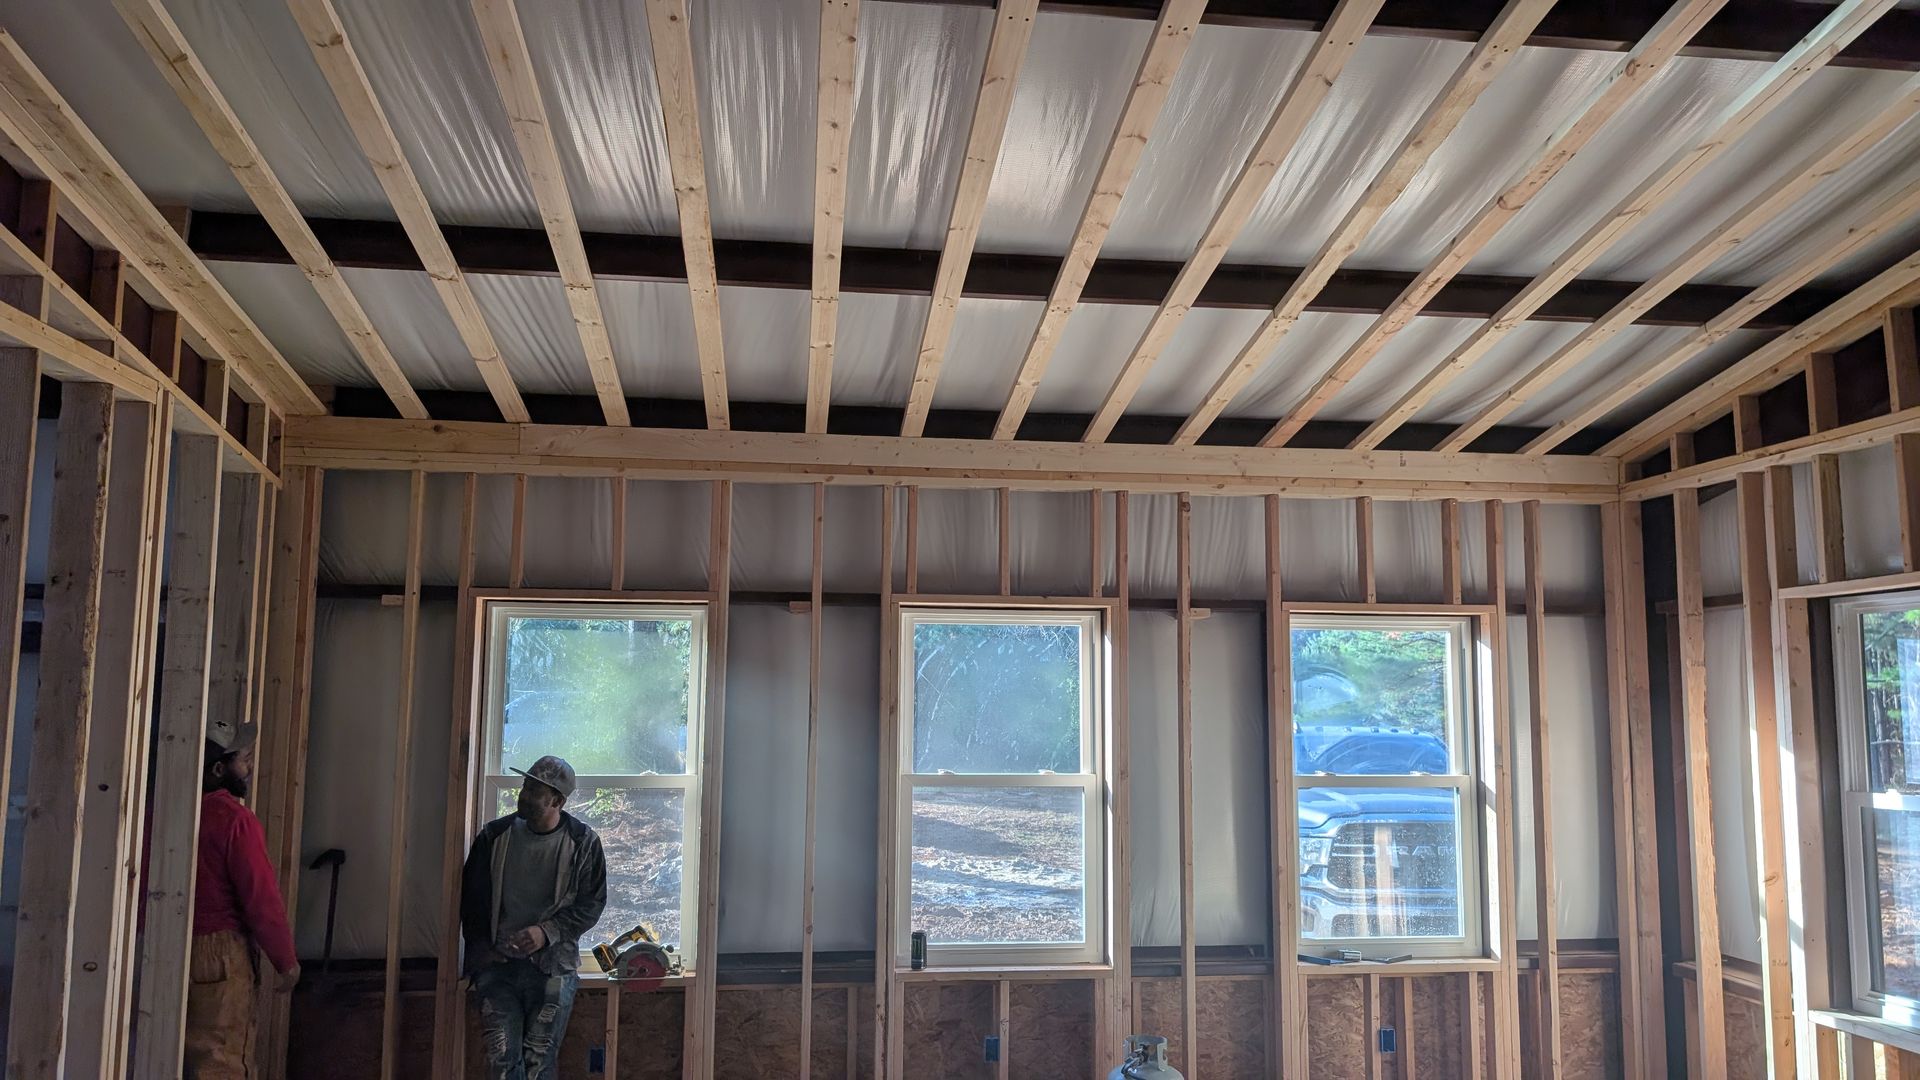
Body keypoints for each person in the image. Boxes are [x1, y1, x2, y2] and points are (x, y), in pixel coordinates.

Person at [460, 755, 607, 1080]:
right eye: (525, 786)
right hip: (497, 969)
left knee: (539, 1064)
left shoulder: (583, 843)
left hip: (552, 968)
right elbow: (470, 903)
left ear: (557, 800)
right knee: (502, 1064)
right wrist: (485, 951)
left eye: (534, 791)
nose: (523, 795)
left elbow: (592, 904)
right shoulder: (493, 838)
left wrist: (546, 932)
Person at [182, 717, 300, 1078]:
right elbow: (261, 899)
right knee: (221, 1062)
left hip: (153, 947)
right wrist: (286, 960)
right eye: (244, 759)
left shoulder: (154, 811)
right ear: (219, 769)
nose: (249, 768)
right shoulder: (234, 820)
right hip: (216, 954)